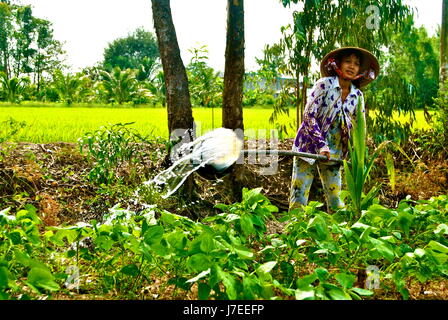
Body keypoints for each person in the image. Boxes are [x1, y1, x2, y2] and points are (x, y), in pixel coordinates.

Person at [289, 47, 380, 213]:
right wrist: (321, 145)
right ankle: (293, 234)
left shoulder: (357, 95)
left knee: (336, 200)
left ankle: (337, 235)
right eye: (347, 61)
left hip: (335, 153)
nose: (352, 66)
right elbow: (309, 116)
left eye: (356, 63)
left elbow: (360, 128)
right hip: (308, 147)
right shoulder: (323, 85)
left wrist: (357, 154)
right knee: (299, 197)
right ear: (338, 64)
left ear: (360, 69)